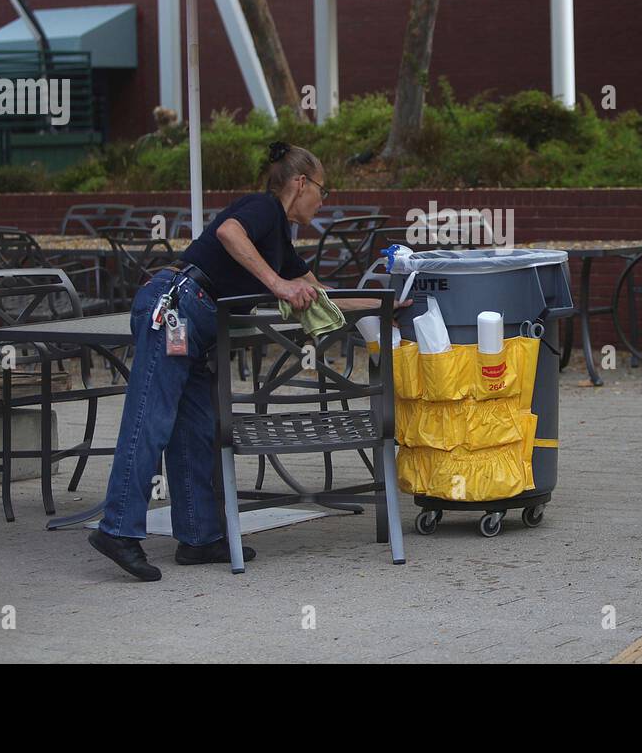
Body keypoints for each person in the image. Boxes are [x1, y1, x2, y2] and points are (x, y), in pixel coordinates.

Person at [88, 141, 407, 580]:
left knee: (195, 426)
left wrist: (382, 304)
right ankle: (118, 529)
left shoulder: (280, 240)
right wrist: (277, 284)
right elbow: (228, 233)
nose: (324, 200)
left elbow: (321, 295)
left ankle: (199, 537)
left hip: (199, 326)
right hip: (176, 309)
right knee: (151, 416)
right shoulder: (262, 209)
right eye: (323, 190)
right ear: (300, 183)